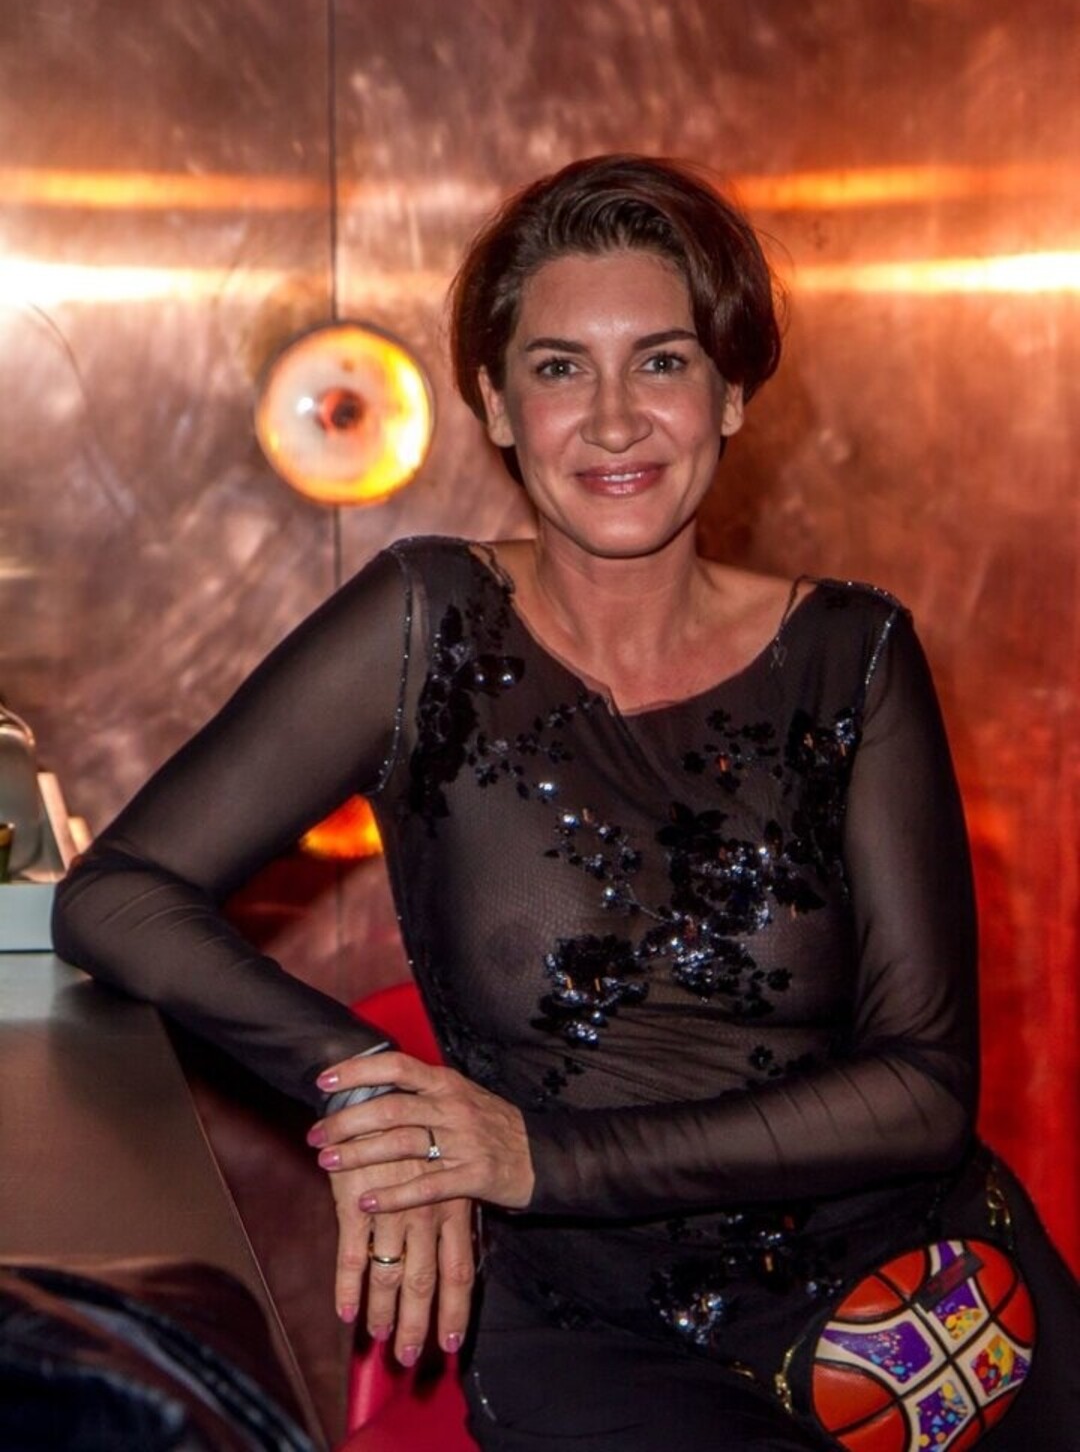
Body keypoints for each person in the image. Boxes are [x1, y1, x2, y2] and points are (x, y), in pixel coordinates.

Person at [53, 155, 1079, 1451]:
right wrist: (376, 1090)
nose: (612, 421)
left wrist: (531, 1155)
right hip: (600, 1347)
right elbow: (117, 896)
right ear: (494, 401)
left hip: (928, 1313)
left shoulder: (853, 654)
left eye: (662, 362)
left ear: (732, 392)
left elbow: (923, 1088)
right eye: (558, 368)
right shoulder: (423, 626)